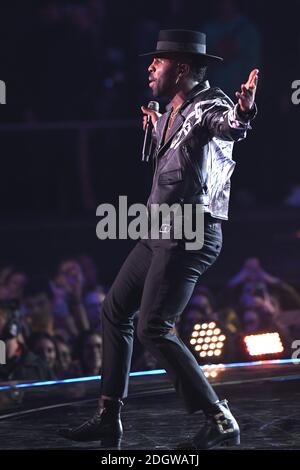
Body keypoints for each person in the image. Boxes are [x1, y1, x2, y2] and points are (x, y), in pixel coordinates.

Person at [60, 29, 258, 449]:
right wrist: (154, 125)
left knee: (153, 325)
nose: (150, 67)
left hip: (190, 230)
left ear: (181, 68)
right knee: (116, 309)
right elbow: (168, 160)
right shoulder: (169, 109)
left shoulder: (210, 104)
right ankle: (109, 415)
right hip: (158, 229)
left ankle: (219, 416)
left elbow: (229, 127)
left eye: (159, 61)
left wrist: (243, 111)